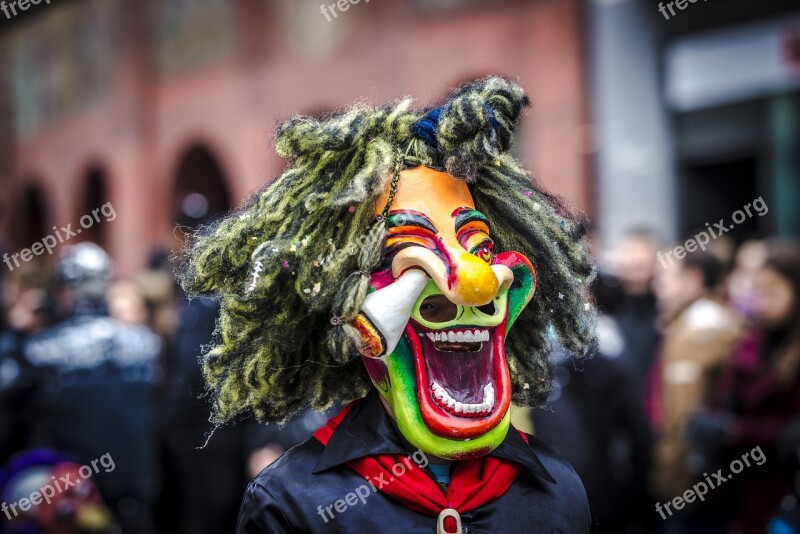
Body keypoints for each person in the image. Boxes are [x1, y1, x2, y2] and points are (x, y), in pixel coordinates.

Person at [179, 76, 596, 533]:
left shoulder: (559, 488)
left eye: (478, 248)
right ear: (343, 302)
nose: (472, 285)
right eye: (412, 256)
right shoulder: (292, 503)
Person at [22, 243, 161, 533]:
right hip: (135, 489)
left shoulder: (42, 349)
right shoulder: (146, 343)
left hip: (72, 496)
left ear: (65, 290)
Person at [691, 242, 800, 533]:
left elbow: (791, 430)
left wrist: (736, 430)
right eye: (759, 291)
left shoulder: (791, 351)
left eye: (773, 292)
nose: (762, 301)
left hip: (782, 488)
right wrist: (710, 418)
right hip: (742, 489)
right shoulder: (751, 339)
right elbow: (728, 394)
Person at [650, 250, 742, 531]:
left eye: (664, 278)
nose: (657, 286)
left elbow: (683, 416)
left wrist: (676, 486)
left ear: (692, 279)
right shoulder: (687, 321)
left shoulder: (700, 327)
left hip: (692, 483)